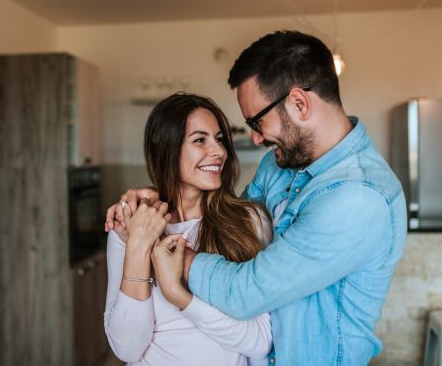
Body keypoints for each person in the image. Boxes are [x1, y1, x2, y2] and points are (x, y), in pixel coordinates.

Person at [106, 30, 407, 366]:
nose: (255, 137)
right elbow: (234, 221)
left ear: (299, 103)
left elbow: (247, 290)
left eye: (257, 121)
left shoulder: (359, 196)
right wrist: (147, 208)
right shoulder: (279, 164)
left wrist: (166, 254)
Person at [104, 93, 273, 366]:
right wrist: (138, 245)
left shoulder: (249, 223)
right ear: (166, 149)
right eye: (199, 140)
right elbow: (127, 349)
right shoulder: (130, 226)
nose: (219, 151)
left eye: (219, 139)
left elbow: (260, 341)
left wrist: (179, 296)